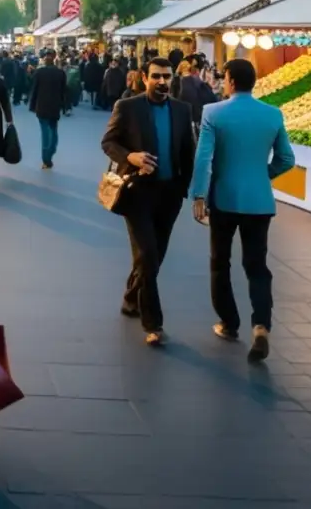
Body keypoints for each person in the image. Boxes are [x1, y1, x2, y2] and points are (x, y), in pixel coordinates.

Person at [189, 59, 295, 363]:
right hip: (260, 201)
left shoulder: (214, 113)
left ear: (231, 81)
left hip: (224, 199)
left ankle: (228, 322)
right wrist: (263, 175)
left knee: (220, 262)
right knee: (257, 265)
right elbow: (287, 159)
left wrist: (198, 195)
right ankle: (261, 325)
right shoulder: (273, 114)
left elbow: (203, 159)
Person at [101, 58, 195, 347]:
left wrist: (187, 189)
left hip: (170, 195)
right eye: (156, 76)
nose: (162, 82)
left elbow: (188, 152)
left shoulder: (182, 110)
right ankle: (153, 324)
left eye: (166, 77)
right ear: (144, 78)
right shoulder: (127, 107)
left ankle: (131, 297)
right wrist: (130, 157)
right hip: (137, 194)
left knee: (153, 257)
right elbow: (108, 142)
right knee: (149, 254)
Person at [28, 48, 67, 169]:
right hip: (55, 106)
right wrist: (64, 106)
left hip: (42, 106)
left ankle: (46, 158)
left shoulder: (39, 73)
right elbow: (64, 91)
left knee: (45, 132)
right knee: (53, 129)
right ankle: (52, 150)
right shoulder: (61, 73)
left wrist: (32, 105)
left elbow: (34, 90)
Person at [176, 57, 218, 128]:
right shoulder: (199, 83)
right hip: (203, 120)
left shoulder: (180, 84)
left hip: (190, 122)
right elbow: (213, 100)